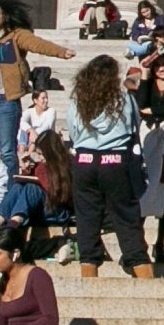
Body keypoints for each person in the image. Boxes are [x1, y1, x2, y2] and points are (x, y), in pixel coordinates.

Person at [59, 53, 145, 274]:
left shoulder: (78, 99)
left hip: (85, 161)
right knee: (127, 219)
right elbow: (134, 125)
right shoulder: (123, 98)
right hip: (115, 159)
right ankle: (141, 268)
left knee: (87, 221)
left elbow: (74, 131)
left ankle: (89, 275)